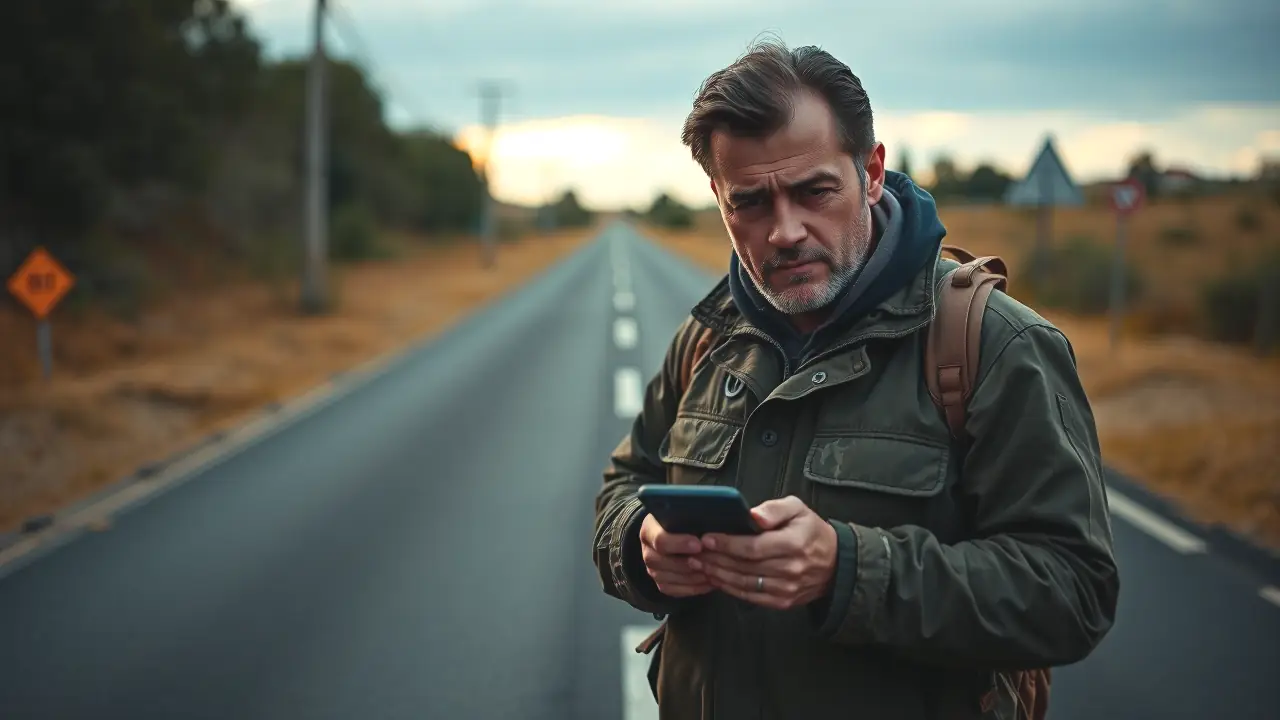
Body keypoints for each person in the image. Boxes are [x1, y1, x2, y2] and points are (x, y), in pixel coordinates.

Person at [591, 39, 1120, 719]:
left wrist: (847, 569)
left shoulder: (991, 345)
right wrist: (640, 545)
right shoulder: (707, 340)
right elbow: (622, 487)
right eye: (749, 202)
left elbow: (1073, 593)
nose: (784, 231)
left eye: (814, 191)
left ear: (870, 172)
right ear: (718, 197)